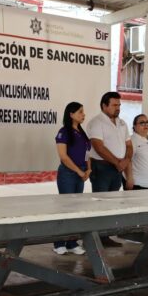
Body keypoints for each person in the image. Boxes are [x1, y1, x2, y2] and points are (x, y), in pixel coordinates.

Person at [87, 91, 132, 247]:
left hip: (117, 168)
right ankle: (94, 239)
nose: (118, 108)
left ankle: (105, 237)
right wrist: (117, 162)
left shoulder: (122, 123)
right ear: (104, 106)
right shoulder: (96, 122)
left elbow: (129, 145)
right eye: (114, 105)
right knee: (100, 204)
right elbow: (98, 147)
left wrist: (126, 160)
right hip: (102, 167)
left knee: (111, 204)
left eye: (119, 105)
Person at [52, 102, 91, 255]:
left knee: (76, 208)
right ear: (71, 114)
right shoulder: (64, 132)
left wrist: (88, 169)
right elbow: (63, 156)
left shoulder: (82, 133)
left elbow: (87, 153)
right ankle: (59, 243)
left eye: (83, 111)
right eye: (80, 112)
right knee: (65, 208)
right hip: (68, 173)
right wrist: (78, 171)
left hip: (80, 172)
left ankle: (72, 243)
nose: (83, 114)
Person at [125, 114, 148, 190]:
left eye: (147, 122)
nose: (146, 125)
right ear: (134, 126)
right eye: (142, 123)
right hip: (139, 184)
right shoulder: (131, 141)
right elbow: (127, 160)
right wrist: (129, 178)